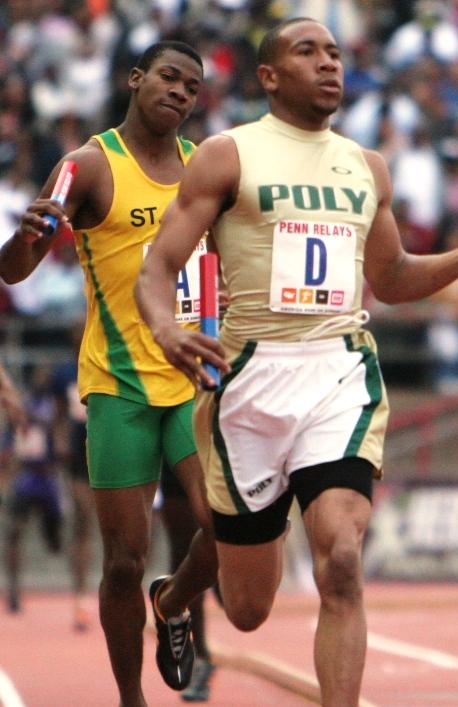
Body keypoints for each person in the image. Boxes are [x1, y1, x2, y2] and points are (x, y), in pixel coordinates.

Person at [135, 18, 458, 707]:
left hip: (338, 374)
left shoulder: (365, 165)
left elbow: (395, 275)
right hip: (250, 381)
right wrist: (166, 327)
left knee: (341, 560)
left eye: (337, 53)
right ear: (269, 75)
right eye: (308, 52)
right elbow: (160, 265)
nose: (329, 64)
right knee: (249, 605)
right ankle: (172, 599)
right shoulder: (228, 155)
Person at [0, 41, 218, 707]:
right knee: (123, 559)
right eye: (169, 78)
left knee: (230, 526)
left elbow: (220, 262)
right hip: (118, 383)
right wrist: (27, 236)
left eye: (192, 86)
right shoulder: (87, 164)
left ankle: (173, 600)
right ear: (135, 78)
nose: (180, 93)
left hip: (188, 380)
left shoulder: (203, 167)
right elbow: (14, 269)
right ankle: (131, 697)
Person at [153, 461, 216, 702]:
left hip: (232, 444)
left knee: (245, 610)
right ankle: (200, 656)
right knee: (183, 553)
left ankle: (222, 567)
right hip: (181, 446)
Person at [3, 364, 62, 613]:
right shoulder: (20, 406)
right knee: (14, 532)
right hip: (26, 478)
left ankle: (53, 537)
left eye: (44, 376)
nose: (41, 379)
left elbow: (61, 434)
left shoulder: (54, 407)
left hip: (47, 479)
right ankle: (14, 590)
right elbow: (8, 443)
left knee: (54, 540)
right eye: (36, 375)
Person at [51, 320, 95, 631]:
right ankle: (80, 595)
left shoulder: (106, 362)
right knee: (82, 520)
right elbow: (56, 414)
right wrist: (59, 440)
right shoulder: (65, 372)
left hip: (110, 447)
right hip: (79, 455)